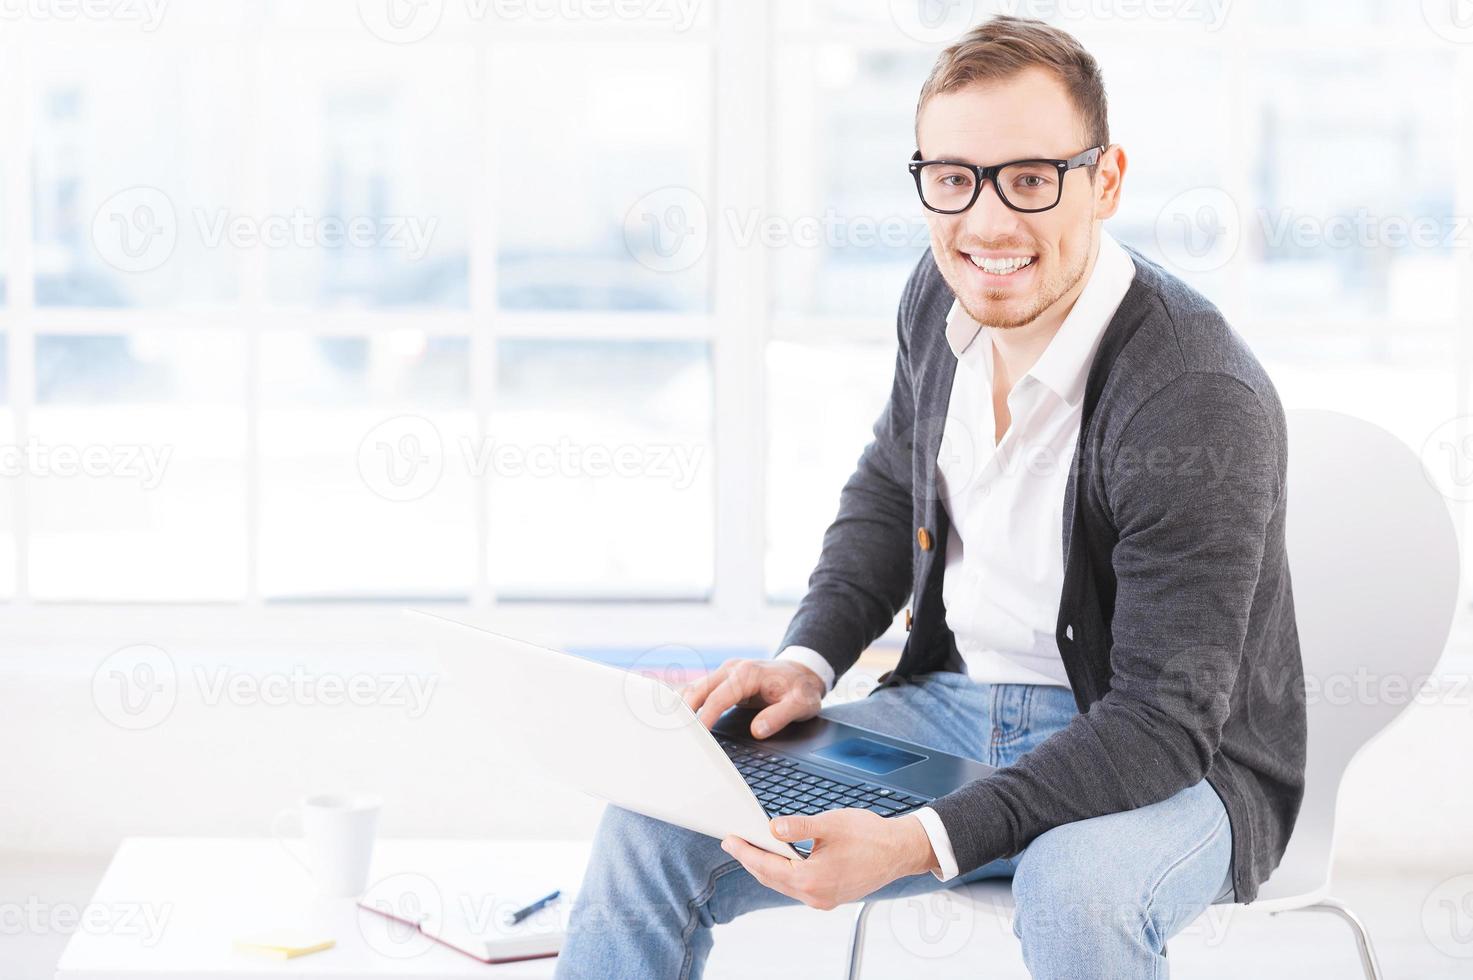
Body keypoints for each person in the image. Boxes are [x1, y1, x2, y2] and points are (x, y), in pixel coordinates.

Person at [556, 15, 1305, 979]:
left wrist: (920, 840)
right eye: (954, 179)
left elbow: (1162, 720)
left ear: (1105, 180)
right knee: (656, 818)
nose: (986, 224)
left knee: (1073, 892)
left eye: (1030, 179)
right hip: (950, 718)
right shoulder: (938, 294)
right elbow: (888, 486)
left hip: (1172, 762)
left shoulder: (1192, 398)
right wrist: (807, 661)